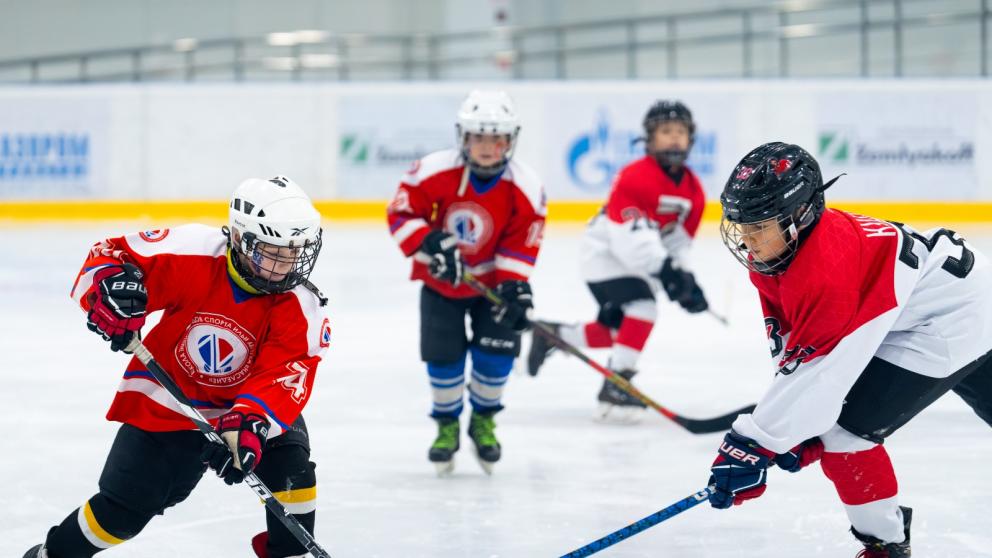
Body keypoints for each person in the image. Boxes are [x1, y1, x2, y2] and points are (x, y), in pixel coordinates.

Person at [705, 142, 992, 557]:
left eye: (759, 226)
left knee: (846, 436)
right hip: (948, 300)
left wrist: (756, 442)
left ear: (799, 215)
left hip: (951, 318)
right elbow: (799, 357)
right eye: (743, 225)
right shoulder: (783, 254)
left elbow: (821, 370)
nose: (748, 240)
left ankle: (885, 546)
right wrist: (792, 426)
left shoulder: (826, 270)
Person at [24, 176, 330, 558]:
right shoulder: (193, 251)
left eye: (294, 251)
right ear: (239, 239)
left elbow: (284, 375)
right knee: (121, 511)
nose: (285, 265)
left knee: (294, 476)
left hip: (248, 408)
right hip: (171, 401)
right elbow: (107, 256)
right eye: (271, 251)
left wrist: (251, 423)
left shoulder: (301, 305)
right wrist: (108, 291)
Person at [386, 89, 545, 475]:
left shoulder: (525, 185)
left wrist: (513, 288)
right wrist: (431, 243)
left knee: (496, 358)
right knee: (444, 360)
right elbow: (401, 213)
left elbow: (521, 240)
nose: (488, 147)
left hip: (491, 288)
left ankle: (483, 421)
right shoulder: (432, 171)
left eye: (497, 138)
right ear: (464, 137)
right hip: (442, 286)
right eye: (479, 138)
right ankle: (446, 426)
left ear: (511, 140)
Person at [526, 100, 709, 421]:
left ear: (691, 139)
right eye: (666, 131)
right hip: (606, 257)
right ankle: (616, 384)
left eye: (681, 132)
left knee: (621, 331)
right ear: (650, 139)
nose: (674, 138)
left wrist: (685, 279)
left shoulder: (694, 190)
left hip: (639, 266)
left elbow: (680, 244)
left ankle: (552, 333)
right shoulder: (635, 177)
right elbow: (629, 240)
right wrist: (667, 272)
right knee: (643, 310)